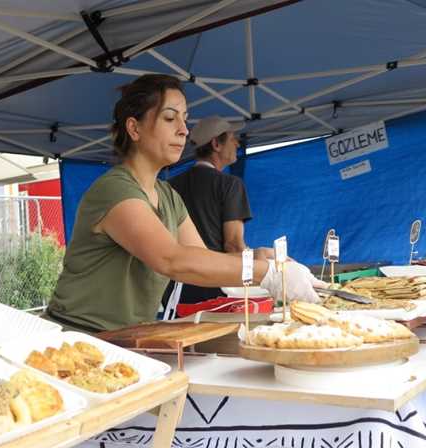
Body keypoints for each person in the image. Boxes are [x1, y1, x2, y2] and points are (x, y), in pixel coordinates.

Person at [45, 74, 322, 333]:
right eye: (169, 118)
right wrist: (268, 275)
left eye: (185, 120)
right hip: (75, 338)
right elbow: (172, 259)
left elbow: (203, 262)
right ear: (134, 128)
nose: (184, 131)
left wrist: (258, 257)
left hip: (125, 339)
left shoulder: (168, 196)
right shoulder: (115, 190)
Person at [164, 116, 273, 307]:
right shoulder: (230, 184)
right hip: (215, 287)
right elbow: (234, 245)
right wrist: (265, 267)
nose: (238, 143)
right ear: (216, 144)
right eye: (232, 138)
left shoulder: (169, 186)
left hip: (175, 288)